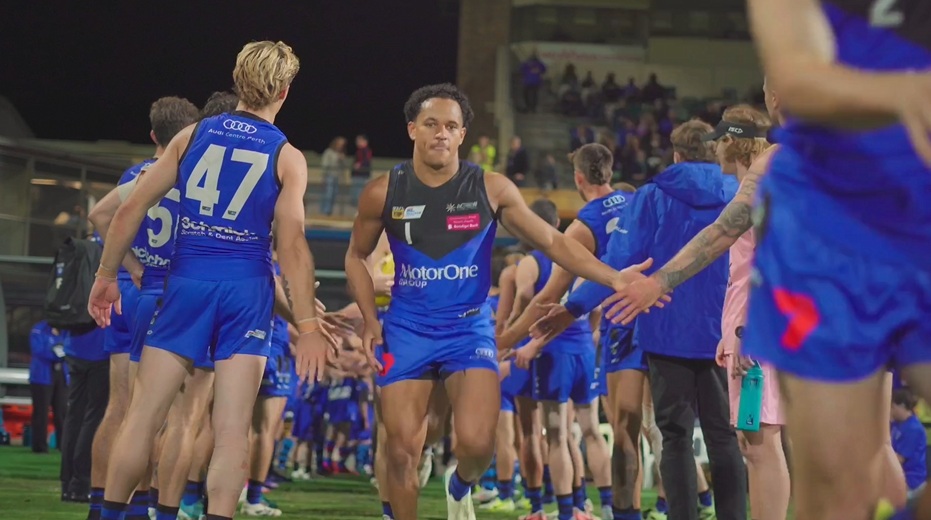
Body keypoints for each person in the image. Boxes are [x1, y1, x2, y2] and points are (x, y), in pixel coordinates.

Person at [343, 83, 647, 520]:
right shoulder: (382, 191)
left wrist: (616, 277)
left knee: (477, 444)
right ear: (412, 129)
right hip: (405, 330)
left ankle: (461, 482)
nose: (441, 134)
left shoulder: (490, 188)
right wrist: (371, 319)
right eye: (431, 124)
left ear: (463, 134)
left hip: (468, 331)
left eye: (451, 126)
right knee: (399, 447)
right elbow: (355, 256)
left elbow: (554, 242)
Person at [87, 41, 334, 520]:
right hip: (246, 289)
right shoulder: (287, 156)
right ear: (284, 91)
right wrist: (307, 325)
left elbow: (129, 210)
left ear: (238, 79)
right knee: (231, 429)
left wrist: (107, 274)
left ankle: (111, 514)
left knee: (142, 415)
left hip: (186, 282)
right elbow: (293, 247)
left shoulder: (192, 136)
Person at [529, 120, 747, 520]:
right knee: (724, 436)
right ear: (715, 149)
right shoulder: (740, 192)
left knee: (675, 436)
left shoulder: (651, 196)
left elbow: (618, 262)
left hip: (665, 334)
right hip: (726, 334)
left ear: (676, 154)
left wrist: (573, 307)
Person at [499, 144, 638, 520]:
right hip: (623, 331)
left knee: (555, 433)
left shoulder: (580, 227)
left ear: (578, 178)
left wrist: (507, 341)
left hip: (575, 342)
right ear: (608, 171)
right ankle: (612, 507)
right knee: (613, 431)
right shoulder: (638, 202)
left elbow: (547, 297)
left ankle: (562, 511)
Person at [86, 95, 201, 520]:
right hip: (169, 293)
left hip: (128, 290)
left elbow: (100, 215)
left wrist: (129, 266)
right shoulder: (189, 175)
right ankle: (143, 506)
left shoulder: (137, 174)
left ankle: (100, 504)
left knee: (120, 407)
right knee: (165, 414)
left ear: (153, 134)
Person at [28, 320, 69, 454]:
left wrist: (58, 351)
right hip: (42, 376)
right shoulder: (38, 329)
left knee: (62, 411)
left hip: (61, 376)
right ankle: (40, 447)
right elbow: (38, 350)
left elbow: (69, 348)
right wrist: (57, 354)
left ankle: (63, 446)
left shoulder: (66, 330)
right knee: (41, 413)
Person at [890, 388, 928, 500]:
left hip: (911, 482)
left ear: (901, 406)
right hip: (899, 477)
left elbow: (899, 459)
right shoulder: (898, 423)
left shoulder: (913, 429)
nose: (891, 411)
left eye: (893, 407)